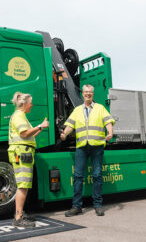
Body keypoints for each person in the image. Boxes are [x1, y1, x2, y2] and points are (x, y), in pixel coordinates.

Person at [61, 84, 115, 217]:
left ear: (93, 94)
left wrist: (110, 132)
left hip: (97, 146)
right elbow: (70, 125)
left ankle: (97, 205)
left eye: (90, 92)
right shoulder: (77, 110)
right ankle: (76, 206)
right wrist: (65, 135)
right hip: (82, 147)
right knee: (78, 176)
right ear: (83, 94)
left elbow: (108, 121)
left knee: (97, 176)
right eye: (86, 92)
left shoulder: (100, 108)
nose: (88, 94)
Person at [9, 92, 49, 228]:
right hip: (21, 153)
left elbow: (29, 135)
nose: (32, 105)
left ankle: (20, 214)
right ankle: (18, 218)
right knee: (23, 185)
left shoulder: (21, 116)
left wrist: (41, 127)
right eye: (30, 102)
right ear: (24, 104)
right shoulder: (19, 116)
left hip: (23, 152)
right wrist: (39, 126)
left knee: (24, 185)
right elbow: (24, 133)